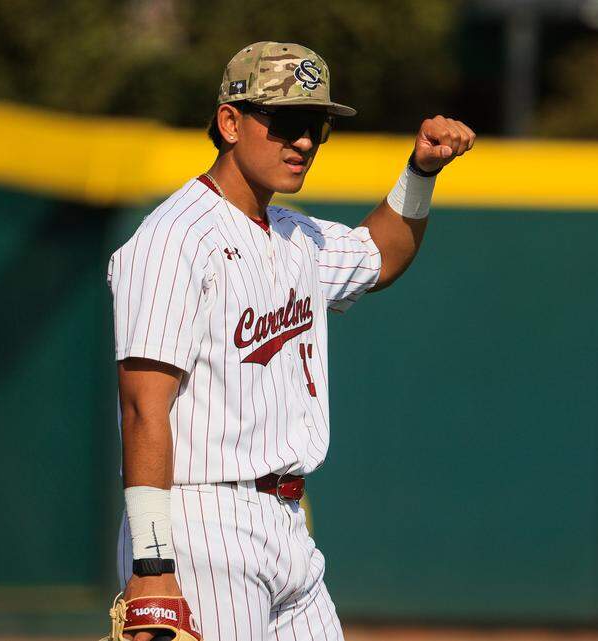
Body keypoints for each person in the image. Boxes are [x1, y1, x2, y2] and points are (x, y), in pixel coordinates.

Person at [104, 41, 475, 641]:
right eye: (283, 122)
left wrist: (420, 172)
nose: (302, 141)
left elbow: (380, 256)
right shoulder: (173, 239)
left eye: (315, 126)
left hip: (288, 522)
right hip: (203, 524)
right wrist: (151, 564)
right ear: (230, 121)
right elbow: (143, 405)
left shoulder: (293, 236)